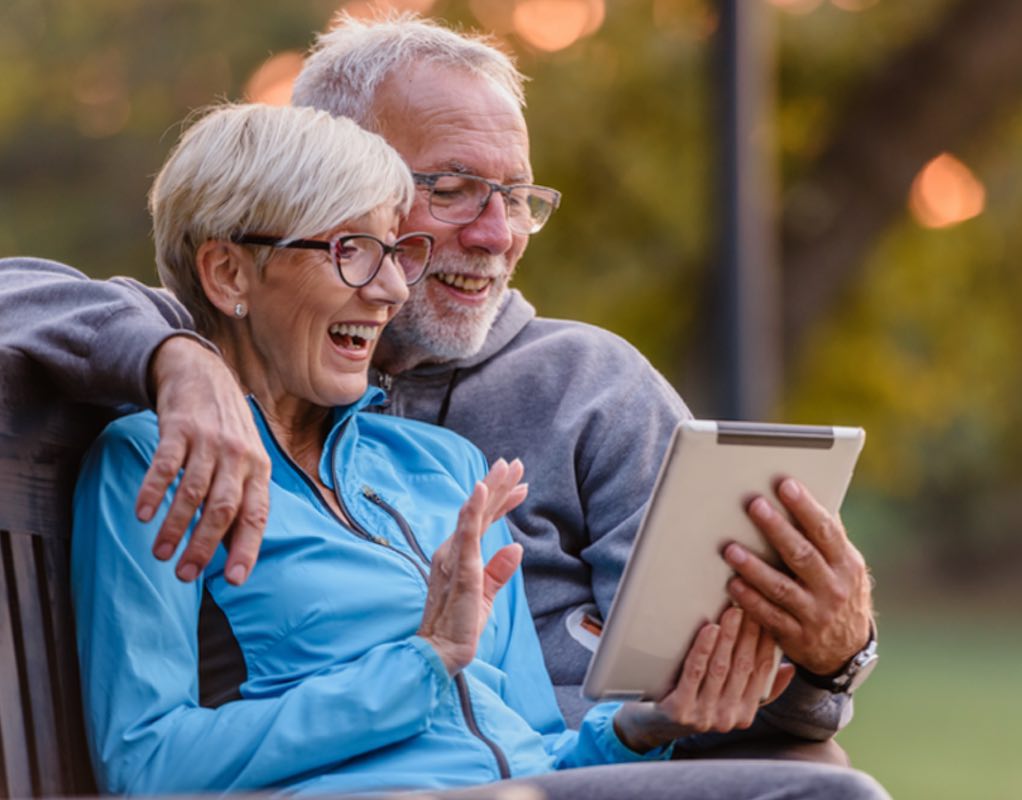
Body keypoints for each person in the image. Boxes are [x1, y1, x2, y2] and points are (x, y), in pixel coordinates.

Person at [0, 12, 875, 757]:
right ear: (338, 173)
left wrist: (829, 659)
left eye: (518, 196)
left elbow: (713, 692)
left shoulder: (584, 388)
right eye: (453, 190)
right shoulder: (215, 337)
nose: (497, 233)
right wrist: (176, 360)